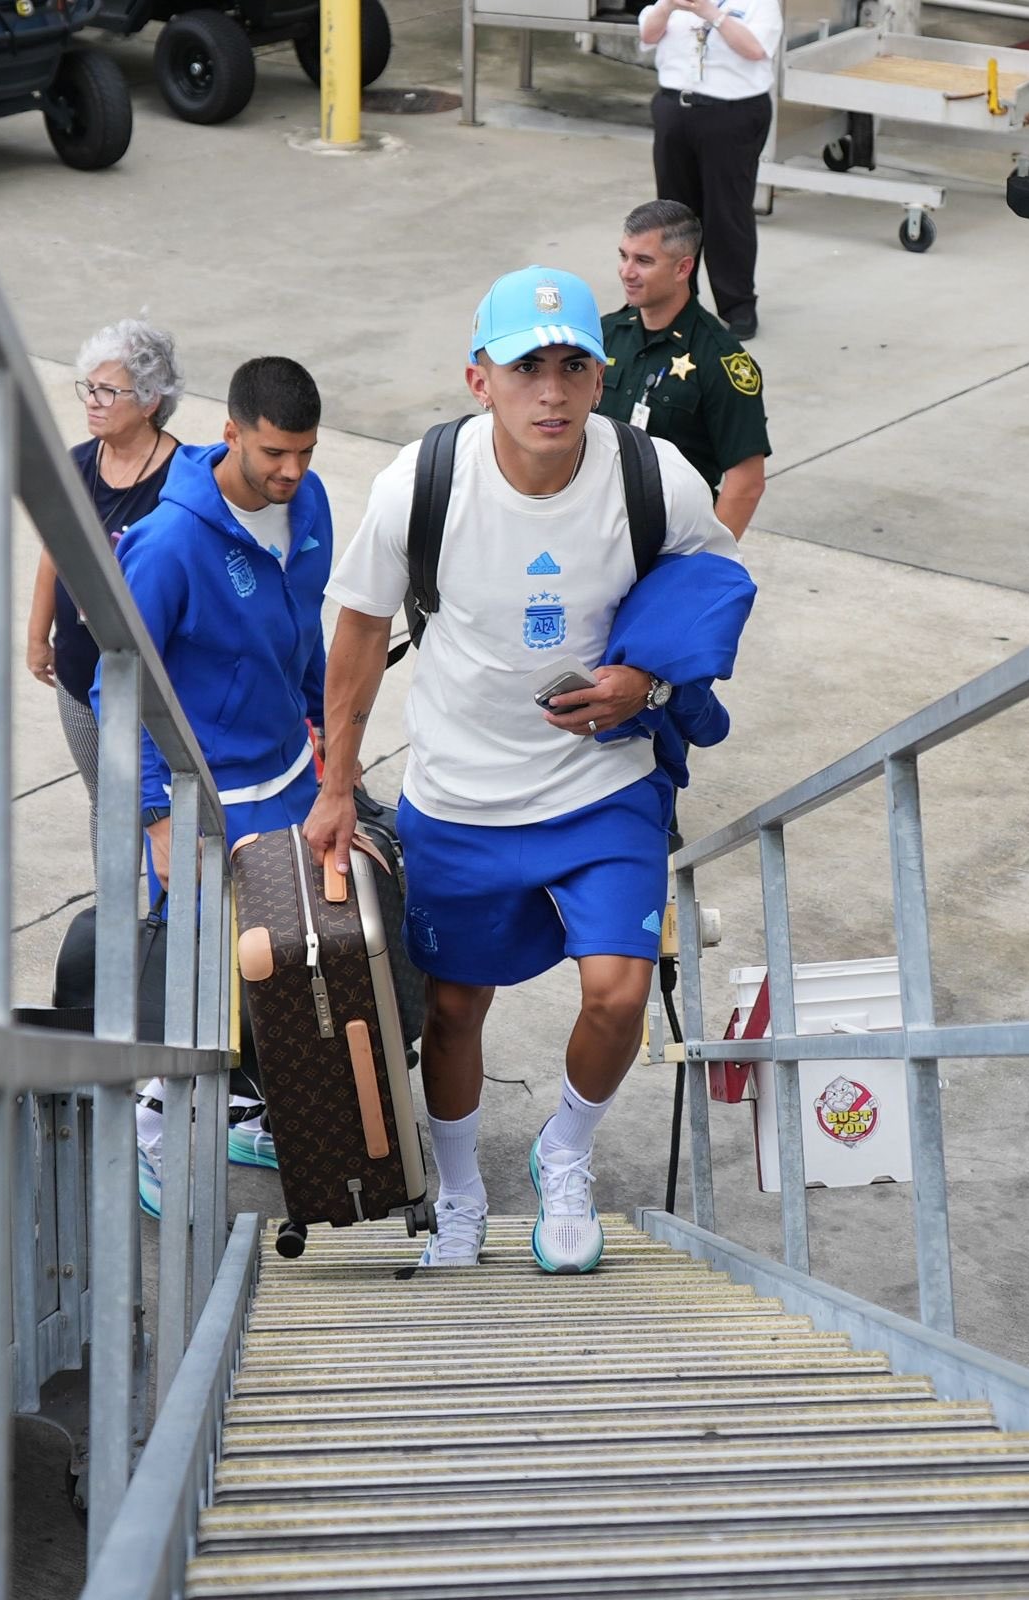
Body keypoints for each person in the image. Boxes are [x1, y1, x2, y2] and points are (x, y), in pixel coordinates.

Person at [304, 266, 750, 1274]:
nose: (549, 391)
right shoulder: (420, 483)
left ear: (601, 376)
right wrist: (338, 783)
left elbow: (713, 581)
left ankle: (566, 1153)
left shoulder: (653, 476)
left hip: (604, 785)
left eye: (572, 366)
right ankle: (458, 1191)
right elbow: (361, 629)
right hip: (460, 794)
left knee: (616, 991)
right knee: (455, 1008)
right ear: (479, 379)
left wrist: (643, 677)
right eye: (525, 368)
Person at [99, 357, 330, 1207]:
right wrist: (158, 810)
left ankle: (262, 1113)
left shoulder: (308, 504)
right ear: (228, 432)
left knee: (299, 963)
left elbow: (305, 635)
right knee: (204, 979)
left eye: (305, 451)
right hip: (211, 796)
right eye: (274, 452)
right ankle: (148, 1130)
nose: (292, 472)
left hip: (296, 779)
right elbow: (116, 684)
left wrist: (332, 749)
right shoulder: (167, 544)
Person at [25, 318, 184, 860]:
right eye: (88, 387)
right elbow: (55, 548)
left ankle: (165, 923)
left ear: (148, 401)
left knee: (157, 803)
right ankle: (114, 923)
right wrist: (37, 635)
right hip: (78, 671)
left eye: (107, 391)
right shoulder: (76, 464)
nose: (91, 401)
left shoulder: (182, 482)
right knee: (106, 799)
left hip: (153, 680)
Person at [597, 199, 770, 539]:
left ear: (682, 268)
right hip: (596, 527)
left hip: (671, 540)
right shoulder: (605, 336)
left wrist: (704, 566)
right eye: (624, 256)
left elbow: (746, 482)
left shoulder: (721, 361)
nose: (627, 272)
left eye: (643, 261)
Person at [640, 0, 784, 339]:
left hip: (733, 114)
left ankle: (737, 305)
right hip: (676, 108)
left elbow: (755, 49)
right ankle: (677, 303)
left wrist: (711, 14)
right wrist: (667, 8)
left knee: (727, 210)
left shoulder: (760, 5)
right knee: (674, 214)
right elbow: (648, 34)